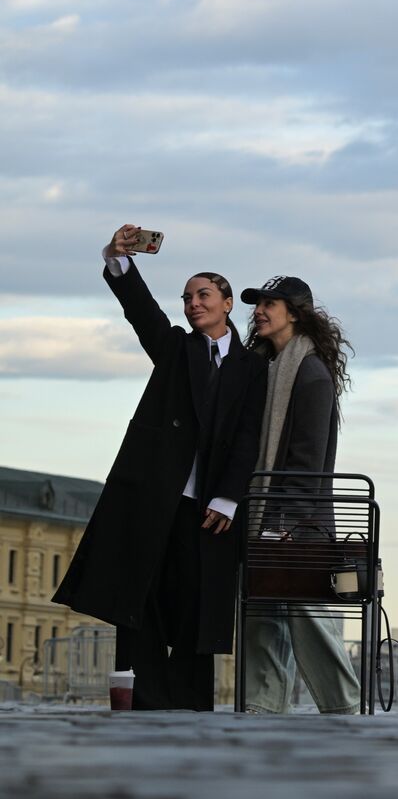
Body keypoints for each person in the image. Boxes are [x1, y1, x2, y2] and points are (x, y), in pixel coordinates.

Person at [53, 224, 267, 710]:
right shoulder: (175, 348)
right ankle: (147, 701)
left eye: (204, 294)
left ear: (228, 303)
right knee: (142, 596)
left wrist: (229, 497)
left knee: (196, 603)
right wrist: (117, 259)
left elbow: (249, 436)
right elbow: (141, 312)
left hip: (210, 505)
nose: (193, 303)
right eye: (187, 296)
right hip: (155, 497)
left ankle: (192, 704)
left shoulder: (253, 368)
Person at [239, 275, 361, 715]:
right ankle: (262, 703)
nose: (259, 311)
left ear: (295, 312)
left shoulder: (309, 375)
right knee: (262, 617)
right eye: (257, 305)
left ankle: (343, 704)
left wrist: (283, 525)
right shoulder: (266, 366)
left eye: (270, 304)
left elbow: (308, 463)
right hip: (268, 516)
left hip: (297, 523)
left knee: (309, 618)